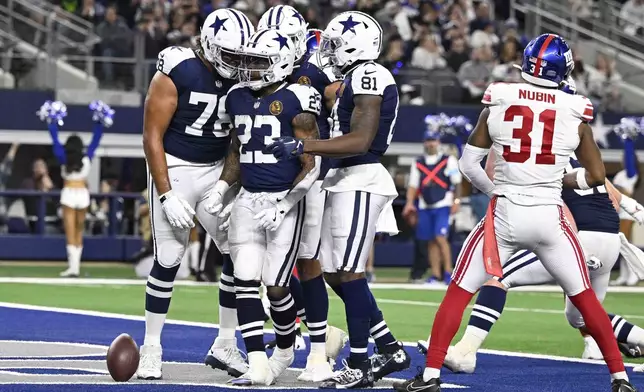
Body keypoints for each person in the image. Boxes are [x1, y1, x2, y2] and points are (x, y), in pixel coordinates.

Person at [393, 34, 636, 392]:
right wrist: (564, 178)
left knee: (459, 291)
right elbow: (597, 176)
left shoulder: (500, 97)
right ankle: (620, 378)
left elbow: (469, 164)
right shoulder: (575, 109)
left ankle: (430, 375)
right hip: (550, 216)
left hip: (506, 213)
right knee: (584, 298)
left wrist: (497, 191)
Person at [266, 11, 411, 388]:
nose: (328, 51)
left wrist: (304, 144)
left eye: (334, 43)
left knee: (349, 272)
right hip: (344, 178)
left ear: (355, 44)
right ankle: (389, 346)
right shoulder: (353, 79)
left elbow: (360, 139)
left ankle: (361, 363)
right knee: (334, 273)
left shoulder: (371, 74)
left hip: (361, 176)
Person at [137, 8, 254, 380]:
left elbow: (239, 139)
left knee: (239, 253)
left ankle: (224, 343)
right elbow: (151, 136)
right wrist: (167, 193)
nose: (236, 63)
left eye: (241, 55)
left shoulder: (244, 78)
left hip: (217, 169)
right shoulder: (178, 67)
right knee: (169, 258)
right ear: (208, 44)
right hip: (176, 168)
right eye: (230, 54)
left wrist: (223, 185)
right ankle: (151, 348)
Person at [204, 28, 321, 386]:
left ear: (282, 63)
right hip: (247, 198)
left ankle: (284, 350)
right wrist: (222, 188)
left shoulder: (298, 100)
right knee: (244, 280)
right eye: (249, 61)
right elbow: (238, 150)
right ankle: (256, 363)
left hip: (283, 199)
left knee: (276, 286)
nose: (250, 69)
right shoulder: (237, 97)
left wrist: (285, 204)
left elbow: (312, 164)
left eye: (259, 62)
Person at [259, 6, 344, 381]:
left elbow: (313, 142)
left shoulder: (311, 76)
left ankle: (317, 354)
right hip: (270, 181)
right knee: (260, 267)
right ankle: (312, 337)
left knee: (309, 261)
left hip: (306, 180)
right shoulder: (264, 76)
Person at [39, 100, 107, 277]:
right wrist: (99, 123)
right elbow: (95, 140)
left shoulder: (63, 158)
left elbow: (54, 140)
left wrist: (52, 123)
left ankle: (73, 267)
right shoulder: (87, 158)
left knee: (70, 229)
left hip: (69, 193)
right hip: (83, 194)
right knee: (79, 229)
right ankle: (75, 267)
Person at [403, 122, 461, 285]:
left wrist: (457, 201)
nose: (431, 143)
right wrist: (409, 203)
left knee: (440, 237)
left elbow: (456, 182)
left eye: (433, 140)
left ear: (438, 142)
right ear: (424, 142)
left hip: (443, 203)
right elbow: (413, 185)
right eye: (428, 140)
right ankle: (435, 274)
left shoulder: (448, 160)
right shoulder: (418, 162)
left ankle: (449, 272)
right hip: (424, 205)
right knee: (429, 240)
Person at [611, 119, 642, 287]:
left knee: (626, 244)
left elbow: (630, 157)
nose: (623, 159)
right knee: (621, 245)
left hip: (626, 212)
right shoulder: (621, 174)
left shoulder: (631, 175)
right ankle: (624, 275)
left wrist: (628, 141)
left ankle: (634, 275)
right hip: (617, 211)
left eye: (625, 158)